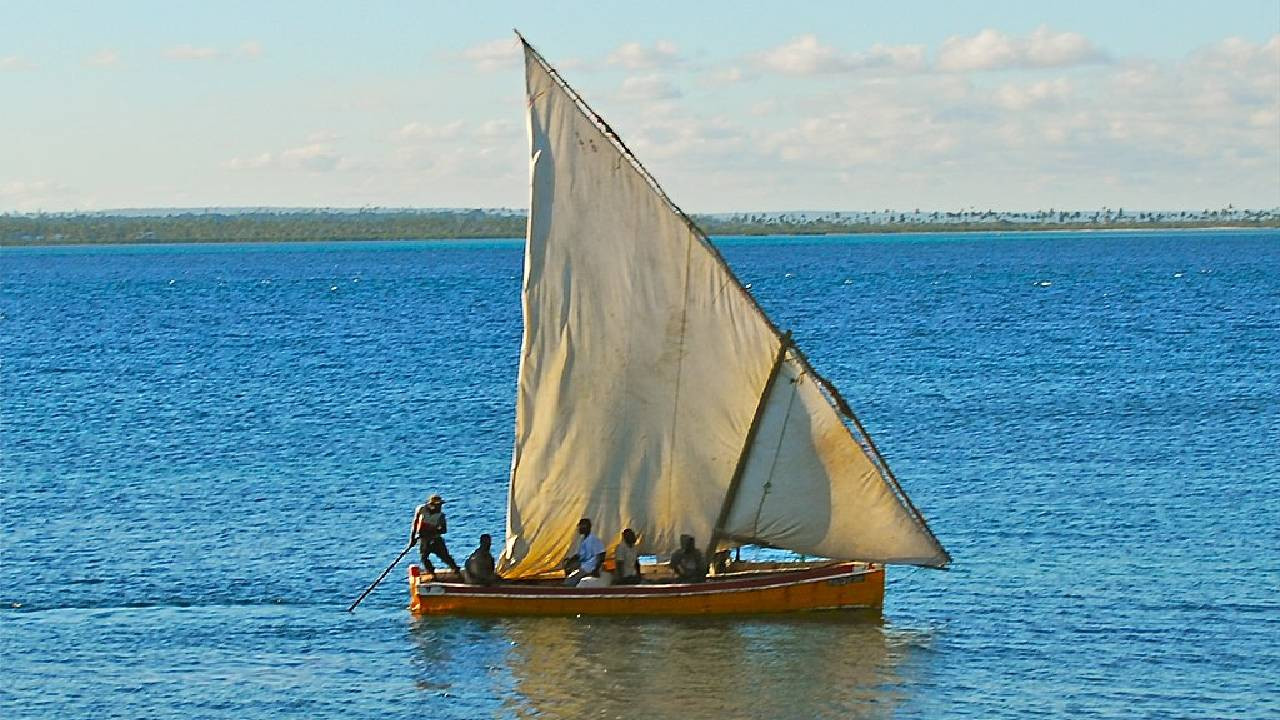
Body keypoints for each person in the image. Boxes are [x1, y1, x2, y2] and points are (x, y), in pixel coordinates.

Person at [410, 494, 459, 576]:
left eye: (440, 505)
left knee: (445, 557)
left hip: (435, 539)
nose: (439, 507)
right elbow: (415, 523)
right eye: (437, 505)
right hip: (424, 539)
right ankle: (432, 573)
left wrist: (433, 531)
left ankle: (456, 571)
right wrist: (412, 539)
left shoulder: (441, 515)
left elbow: (444, 530)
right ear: (431, 505)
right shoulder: (422, 509)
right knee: (424, 557)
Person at [563, 518, 605, 586]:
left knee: (569, 582)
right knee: (568, 574)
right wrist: (570, 561)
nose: (579, 528)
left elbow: (601, 555)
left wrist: (596, 570)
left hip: (589, 568)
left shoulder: (593, 540)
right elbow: (580, 555)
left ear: (585, 527)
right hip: (583, 567)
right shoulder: (583, 540)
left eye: (580, 526)